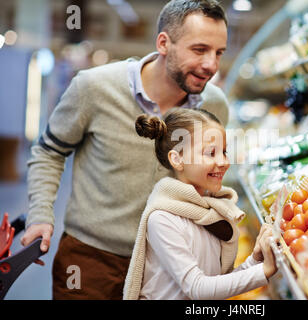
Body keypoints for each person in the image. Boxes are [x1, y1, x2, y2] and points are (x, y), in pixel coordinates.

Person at [21, 0, 230, 299]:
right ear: (163, 43)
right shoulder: (94, 88)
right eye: (199, 50)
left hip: (168, 263)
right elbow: (49, 151)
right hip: (90, 260)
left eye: (219, 52)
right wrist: (41, 214)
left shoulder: (215, 105)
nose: (211, 64)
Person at [123, 108, 277, 300]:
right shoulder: (162, 218)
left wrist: (256, 259)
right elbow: (197, 288)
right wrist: (263, 270)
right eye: (211, 153)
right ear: (177, 159)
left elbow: (218, 283)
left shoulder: (209, 211)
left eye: (223, 152)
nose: (223, 161)